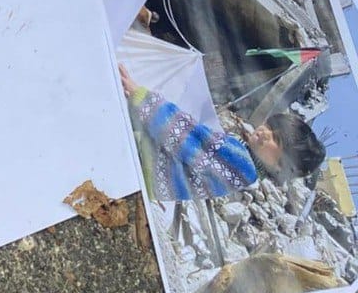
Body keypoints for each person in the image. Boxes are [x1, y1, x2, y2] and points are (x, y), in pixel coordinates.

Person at [119, 64, 326, 203]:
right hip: (152, 179)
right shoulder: (246, 171)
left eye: (276, 139)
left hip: (147, 168)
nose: (266, 132)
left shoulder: (241, 163)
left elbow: (187, 137)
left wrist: (142, 97)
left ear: (281, 165)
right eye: (270, 126)